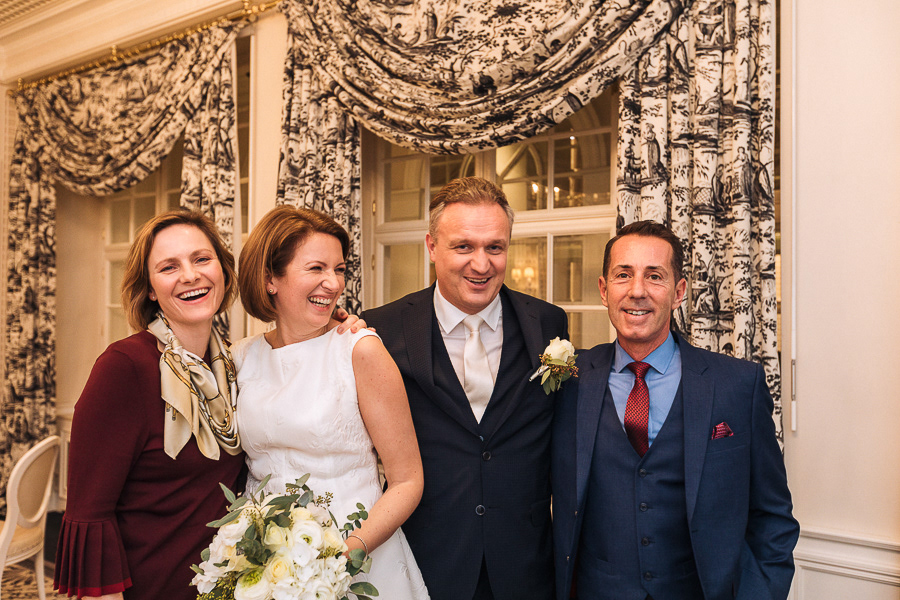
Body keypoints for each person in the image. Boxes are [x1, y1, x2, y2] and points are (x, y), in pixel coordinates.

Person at [551, 220, 799, 600]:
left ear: (679, 292)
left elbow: (772, 516)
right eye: (623, 275)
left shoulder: (737, 384)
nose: (637, 291)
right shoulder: (570, 380)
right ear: (604, 290)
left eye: (654, 276)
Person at [362, 177, 569, 600]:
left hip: (525, 564)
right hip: (425, 561)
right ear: (431, 246)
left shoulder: (548, 322)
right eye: (463, 247)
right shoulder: (381, 328)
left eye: (495, 247)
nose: (481, 263)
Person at [232, 206, 429, 599]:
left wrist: (340, 557)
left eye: (339, 269)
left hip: (358, 557)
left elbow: (407, 480)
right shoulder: (240, 357)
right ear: (270, 278)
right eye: (316, 268)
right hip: (266, 564)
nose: (334, 283)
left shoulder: (359, 349)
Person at [54, 210, 246, 600]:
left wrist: (338, 326)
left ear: (224, 272)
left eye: (201, 259)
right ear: (151, 291)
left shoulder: (232, 364)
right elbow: (89, 515)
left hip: (221, 586)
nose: (190, 275)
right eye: (169, 267)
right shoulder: (124, 367)